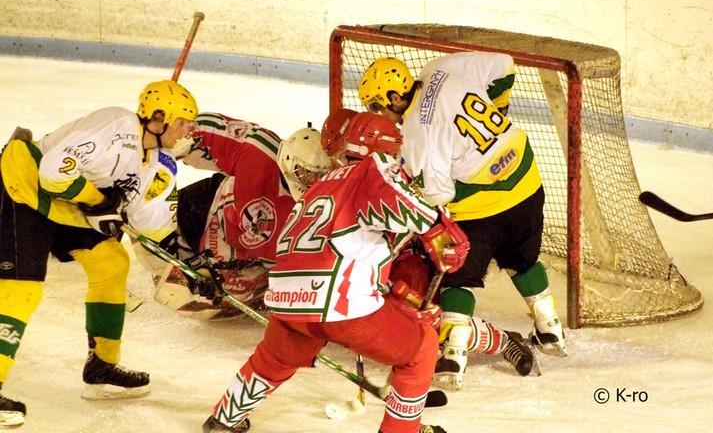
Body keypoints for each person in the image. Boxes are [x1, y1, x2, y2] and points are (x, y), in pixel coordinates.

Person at [202, 112, 469, 433]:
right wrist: (440, 229)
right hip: (337, 302)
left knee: (273, 360)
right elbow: (403, 202)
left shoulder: (320, 184)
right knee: (422, 347)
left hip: (287, 298)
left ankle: (224, 419)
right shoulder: (375, 169)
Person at [357, 53, 566, 390]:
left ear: (395, 98)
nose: (379, 114)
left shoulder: (417, 131)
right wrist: (498, 109)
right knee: (521, 259)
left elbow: (438, 194)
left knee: (456, 277)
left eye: (377, 106)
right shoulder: (439, 69)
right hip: (527, 177)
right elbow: (503, 65)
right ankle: (550, 328)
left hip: (484, 208)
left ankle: (453, 356)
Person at [0, 79, 197, 426]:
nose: (187, 131)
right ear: (158, 118)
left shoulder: (153, 162)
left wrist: (191, 264)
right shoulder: (116, 125)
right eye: (182, 123)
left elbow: (145, 223)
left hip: (64, 206)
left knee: (112, 263)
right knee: (21, 290)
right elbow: (52, 172)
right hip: (24, 187)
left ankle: (101, 367)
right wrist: (97, 200)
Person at [133, 113, 332, 320]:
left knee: (214, 295)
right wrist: (152, 147)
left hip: (242, 256)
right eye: (305, 173)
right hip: (203, 209)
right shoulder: (260, 151)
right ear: (289, 159)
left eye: (319, 176)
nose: (311, 182)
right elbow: (199, 129)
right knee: (150, 248)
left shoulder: (321, 201)